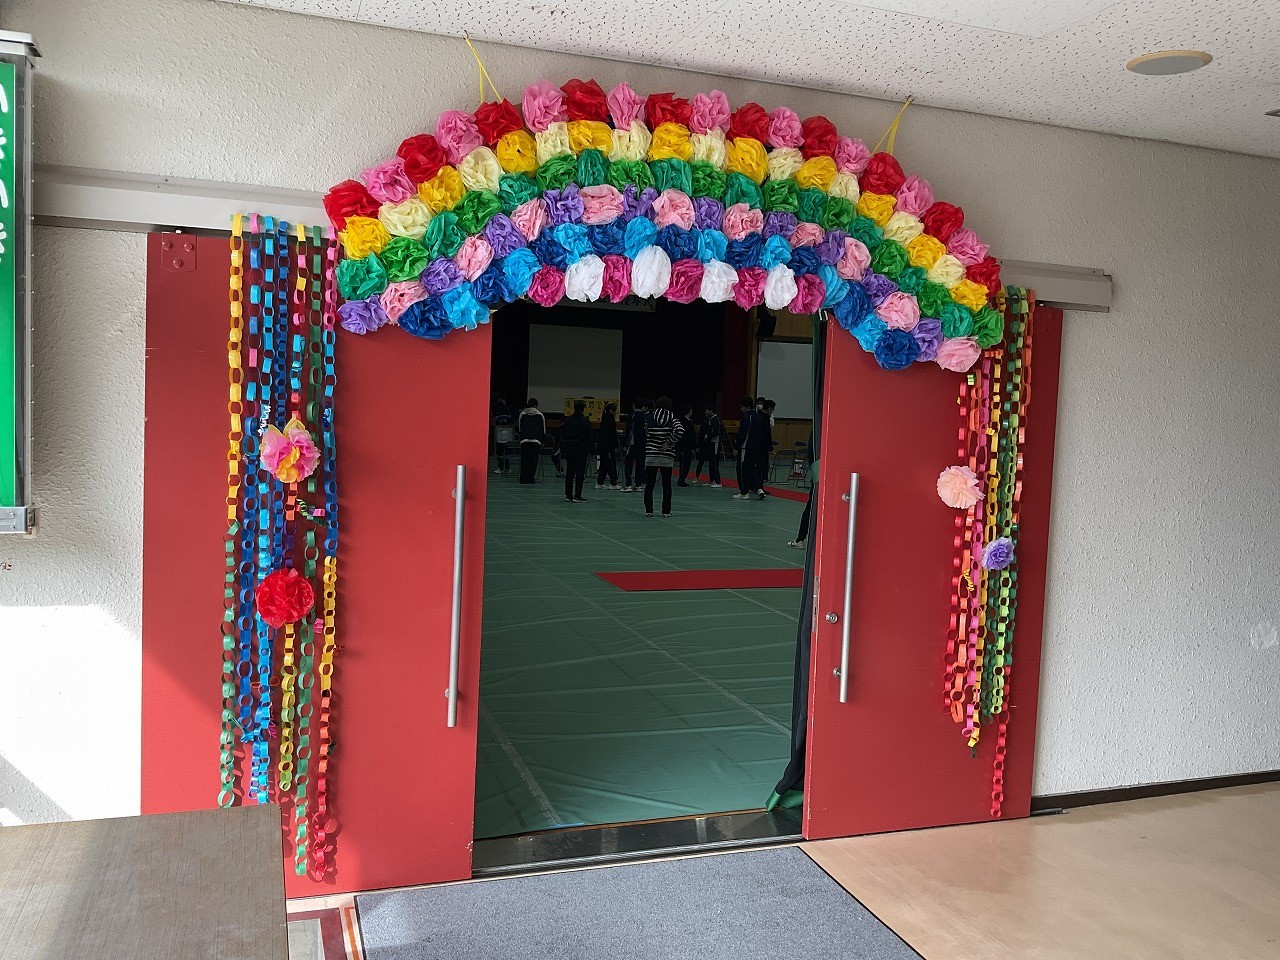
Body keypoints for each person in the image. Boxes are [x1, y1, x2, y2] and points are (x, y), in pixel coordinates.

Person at [642, 396, 684, 517]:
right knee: (666, 485)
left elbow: (646, 432)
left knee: (649, 484)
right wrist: (669, 442)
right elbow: (680, 430)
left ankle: (649, 510)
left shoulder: (649, 418)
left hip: (651, 455)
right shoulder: (673, 418)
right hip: (666, 456)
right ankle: (666, 511)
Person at [559, 399, 592, 503]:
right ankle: (577, 495)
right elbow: (590, 436)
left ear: (574, 407)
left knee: (570, 471)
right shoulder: (585, 420)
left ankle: (568, 495)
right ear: (583, 409)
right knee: (580, 472)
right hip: (581, 448)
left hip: (570, 447)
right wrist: (590, 449)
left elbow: (563, 434)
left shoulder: (567, 420)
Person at [733, 396, 765, 500]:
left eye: (742, 407)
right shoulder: (758, 417)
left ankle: (744, 492)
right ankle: (759, 488)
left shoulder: (747, 417)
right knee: (752, 469)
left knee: (742, 470)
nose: (741, 409)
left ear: (747, 407)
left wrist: (736, 447)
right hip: (755, 448)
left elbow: (743, 434)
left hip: (745, 448)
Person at [620, 398, 649, 493]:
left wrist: (625, 444)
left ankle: (628, 485)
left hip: (632, 444)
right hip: (642, 444)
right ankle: (638, 485)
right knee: (640, 465)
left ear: (634, 405)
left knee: (628, 464)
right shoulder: (645, 417)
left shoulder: (631, 416)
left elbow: (629, 430)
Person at [694, 403, 726, 487]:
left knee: (714, 462)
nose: (705, 412)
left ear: (711, 410)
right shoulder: (711, 419)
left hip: (715, 442)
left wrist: (708, 436)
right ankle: (712, 480)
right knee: (711, 462)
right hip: (711, 443)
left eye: (707, 410)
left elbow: (717, 431)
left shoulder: (715, 419)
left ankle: (718, 482)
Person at [516, 398, 546, 485]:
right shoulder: (540, 415)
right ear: (536, 406)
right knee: (533, 461)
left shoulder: (522, 414)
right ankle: (530, 478)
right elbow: (543, 430)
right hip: (536, 441)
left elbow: (520, 429)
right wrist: (543, 441)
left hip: (524, 441)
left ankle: (523, 478)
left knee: (524, 460)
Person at [595, 402, 620, 489]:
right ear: (611, 411)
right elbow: (612, 435)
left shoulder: (604, 419)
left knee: (604, 464)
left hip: (603, 446)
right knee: (611, 464)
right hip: (608, 446)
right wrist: (615, 446)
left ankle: (600, 482)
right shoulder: (610, 420)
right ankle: (613, 483)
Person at [757, 399, 777, 496]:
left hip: (759, 446)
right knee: (761, 468)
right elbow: (766, 435)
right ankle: (759, 487)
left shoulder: (759, 416)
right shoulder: (764, 418)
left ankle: (758, 486)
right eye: (772, 410)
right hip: (761, 447)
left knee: (760, 468)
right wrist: (770, 448)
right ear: (769, 409)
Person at [675, 404, 697, 487]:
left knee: (683, 463)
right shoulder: (686, 422)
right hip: (686, 445)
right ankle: (681, 479)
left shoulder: (681, 420)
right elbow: (691, 435)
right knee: (685, 463)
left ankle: (681, 478)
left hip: (683, 445)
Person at [492, 395, 515, 475]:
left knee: (507, 451)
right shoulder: (496, 408)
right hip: (499, 432)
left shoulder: (510, 408)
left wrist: (506, 420)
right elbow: (495, 418)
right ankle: (500, 467)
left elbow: (513, 418)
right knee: (499, 450)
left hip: (508, 432)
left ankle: (507, 468)